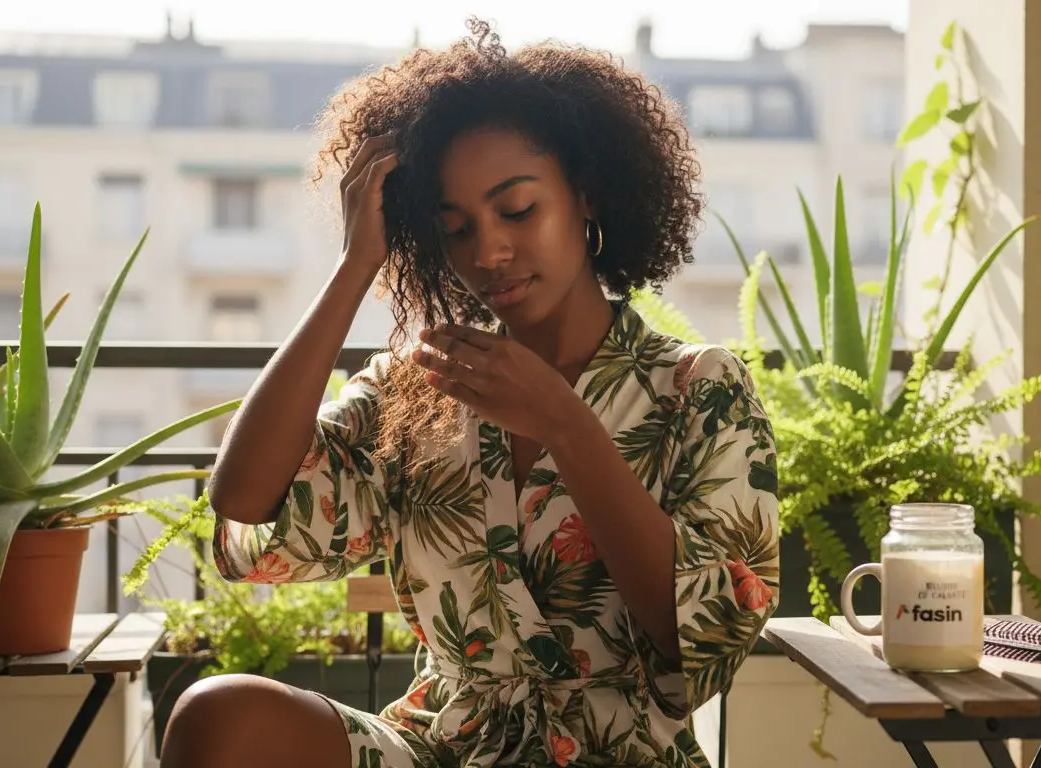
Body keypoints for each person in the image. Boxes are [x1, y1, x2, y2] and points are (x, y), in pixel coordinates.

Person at [161, 19, 781, 768]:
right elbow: (246, 509)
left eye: (518, 211)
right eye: (455, 230)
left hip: (620, 755)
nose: (488, 253)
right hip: (441, 749)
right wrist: (358, 265)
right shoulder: (419, 390)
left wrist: (566, 423)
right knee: (219, 718)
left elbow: (702, 641)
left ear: (586, 196)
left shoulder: (699, 391)